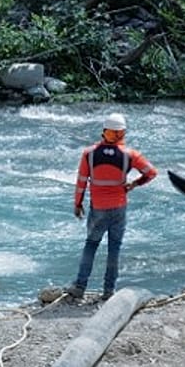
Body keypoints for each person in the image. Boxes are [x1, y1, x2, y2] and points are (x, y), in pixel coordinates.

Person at [67, 112, 156, 302]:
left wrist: (78, 203)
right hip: (119, 207)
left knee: (91, 245)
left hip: (98, 208)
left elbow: (81, 182)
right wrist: (134, 184)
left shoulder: (89, 154)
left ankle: (80, 286)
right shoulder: (130, 154)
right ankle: (108, 291)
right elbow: (151, 172)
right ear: (122, 133)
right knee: (114, 248)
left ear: (104, 131)